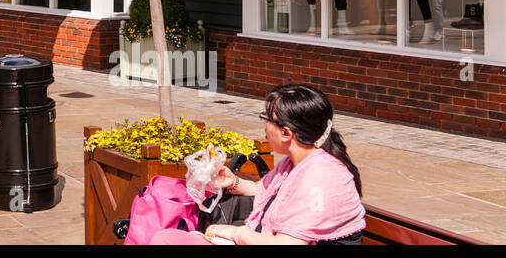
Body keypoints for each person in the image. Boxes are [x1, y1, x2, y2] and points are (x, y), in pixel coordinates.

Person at [151, 83, 366, 245]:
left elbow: (287, 244)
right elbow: (271, 192)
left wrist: (235, 233)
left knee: (165, 240)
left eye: (267, 117)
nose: (263, 123)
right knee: (165, 238)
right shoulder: (300, 163)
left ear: (285, 133)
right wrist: (232, 182)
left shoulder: (319, 178)